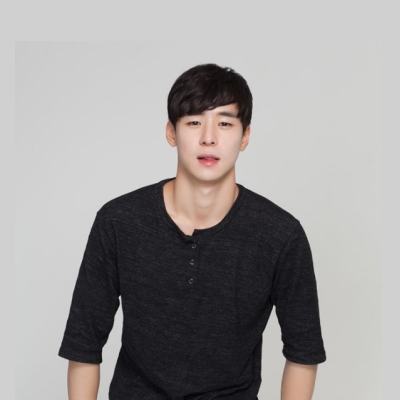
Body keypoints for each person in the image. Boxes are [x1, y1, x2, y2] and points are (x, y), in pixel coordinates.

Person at [58, 63, 326, 400]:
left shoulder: (280, 235)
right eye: (194, 121)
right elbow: (84, 343)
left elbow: (303, 352)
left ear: (245, 136)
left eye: (225, 123)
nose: (208, 137)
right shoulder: (118, 222)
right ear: (171, 132)